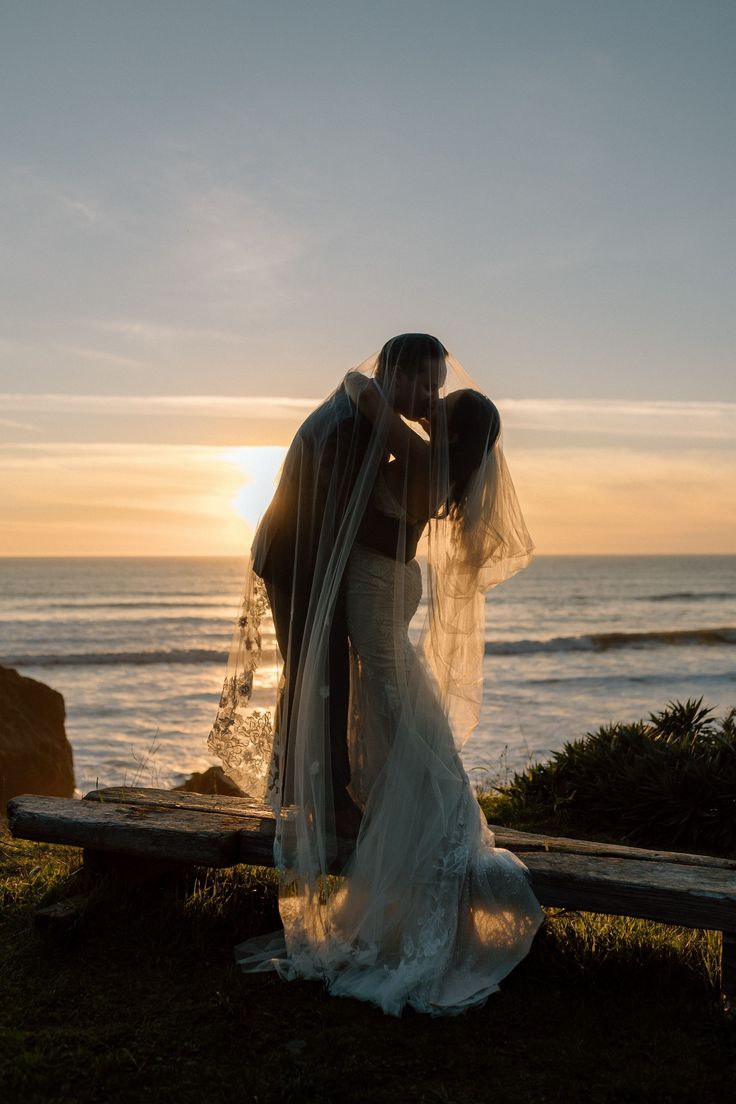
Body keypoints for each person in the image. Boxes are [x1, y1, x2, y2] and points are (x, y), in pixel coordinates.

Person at [208, 335, 543, 1016]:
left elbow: (379, 426)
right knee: (384, 690)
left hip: (376, 585)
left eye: (440, 398)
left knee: (387, 689)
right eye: (424, 387)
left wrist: (368, 391)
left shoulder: (416, 451)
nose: (431, 403)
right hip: (379, 583)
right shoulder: (420, 452)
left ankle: (372, 795)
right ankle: (371, 791)